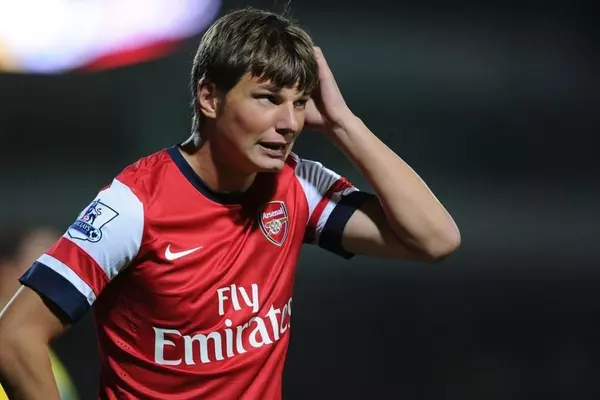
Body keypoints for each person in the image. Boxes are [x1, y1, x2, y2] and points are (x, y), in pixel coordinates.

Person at [0, 6, 460, 400]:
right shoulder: (133, 206)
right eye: (268, 99)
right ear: (209, 98)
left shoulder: (296, 186)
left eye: (300, 103)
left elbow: (435, 239)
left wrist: (343, 124)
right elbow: (13, 338)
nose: (289, 122)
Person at [0, 224, 78, 400]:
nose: (58, 284)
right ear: (6, 271)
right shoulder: (12, 345)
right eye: (45, 271)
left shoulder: (38, 346)